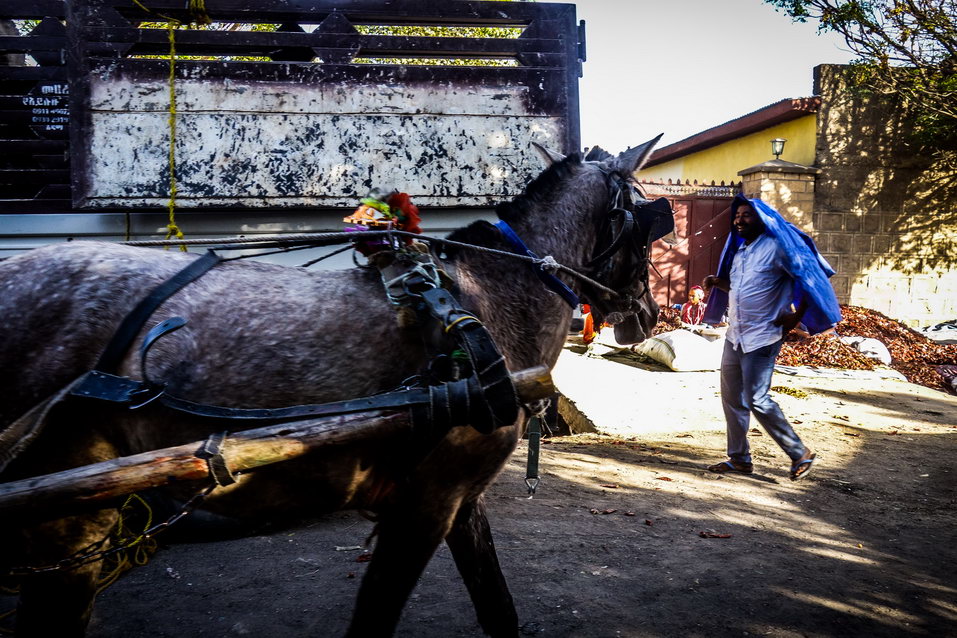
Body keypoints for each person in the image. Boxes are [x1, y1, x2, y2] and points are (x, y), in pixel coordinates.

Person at [702, 195, 841, 481]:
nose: (739, 219)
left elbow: (808, 277)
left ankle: (799, 452)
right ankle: (739, 459)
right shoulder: (741, 251)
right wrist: (718, 283)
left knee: (757, 399)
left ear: (762, 219)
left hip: (763, 336)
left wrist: (797, 315)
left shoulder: (777, 248)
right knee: (732, 399)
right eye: (737, 215)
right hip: (736, 334)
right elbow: (742, 288)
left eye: (747, 215)